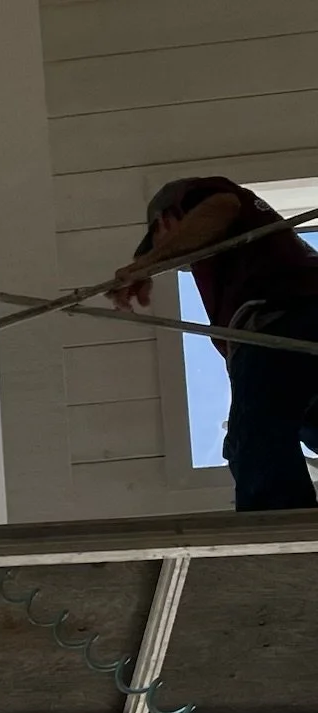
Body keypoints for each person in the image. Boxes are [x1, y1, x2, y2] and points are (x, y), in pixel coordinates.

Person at [108, 176, 318, 511]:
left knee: (254, 442)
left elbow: (221, 207)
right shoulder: (255, 249)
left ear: (166, 221)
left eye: (159, 242)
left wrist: (147, 263)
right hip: (298, 328)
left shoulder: (197, 197)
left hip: (282, 322)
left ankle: (284, 534)